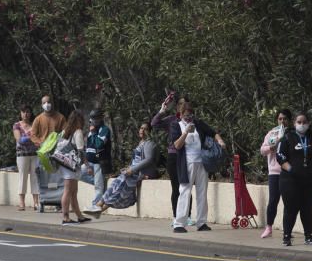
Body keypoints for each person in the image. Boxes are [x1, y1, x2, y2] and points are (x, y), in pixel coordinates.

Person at [172, 105, 225, 233]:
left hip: (201, 162)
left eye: (190, 115)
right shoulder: (176, 125)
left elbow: (213, 133)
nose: (189, 117)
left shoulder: (198, 123)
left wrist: (220, 141)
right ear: (180, 114)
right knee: (185, 191)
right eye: (186, 115)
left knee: (202, 192)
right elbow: (176, 145)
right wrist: (185, 132)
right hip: (187, 162)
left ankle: (201, 223)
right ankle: (179, 223)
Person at [276, 112, 312, 246]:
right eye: (299, 122)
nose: (302, 125)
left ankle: (308, 236)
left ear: (309, 123)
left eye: (304, 122)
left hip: (311, 180)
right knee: (290, 208)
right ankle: (287, 236)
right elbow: (280, 156)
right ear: (294, 124)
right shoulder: (287, 138)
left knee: (307, 207)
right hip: (290, 180)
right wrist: (291, 169)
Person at [91, 122, 159, 216]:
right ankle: (99, 210)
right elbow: (136, 160)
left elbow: (148, 159)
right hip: (133, 172)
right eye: (141, 128)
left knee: (118, 184)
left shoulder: (149, 143)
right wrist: (129, 168)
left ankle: (98, 205)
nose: (142, 131)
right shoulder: (141, 143)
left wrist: (132, 169)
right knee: (118, 189)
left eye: (145, 129)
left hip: (140, 172)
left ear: (149, 131)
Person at [152, 92, 192, 220]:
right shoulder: (172, 120)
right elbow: (154, 124)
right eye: (180, 104)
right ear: (176, 107)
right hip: (174, 156)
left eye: (185, 104)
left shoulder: (191, 120)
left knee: (186, 187)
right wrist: (162, 111)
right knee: (176, 187)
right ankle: (176, 216)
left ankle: (188, 216)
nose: (182, 106)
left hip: (187, 156)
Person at [258, 109, 291, 238]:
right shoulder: (272, 133)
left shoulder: (292, 134)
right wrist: (272, 147)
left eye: (285, 119)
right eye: (280, 119)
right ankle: (269, 227)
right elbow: (262, 150)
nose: (282, 121)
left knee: (289, 202)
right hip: (274, 172)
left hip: (288, 171)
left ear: (289, 120)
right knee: (273, 200)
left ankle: (287, 230)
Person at [57, 110, 90, 224]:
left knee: (73, 192)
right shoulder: (78, 132)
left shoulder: (65, 131)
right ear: (79, 120)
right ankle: (65, 217)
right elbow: (81, 151)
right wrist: (88, 165)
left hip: (65, 163)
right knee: (68, 191)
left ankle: (79, 216)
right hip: (72, 165)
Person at [82, 109, 112, 213]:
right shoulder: (91, 131)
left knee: (99, 187)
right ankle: (100, 185)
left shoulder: (104, 130)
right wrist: (87, 164)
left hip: (100, 161)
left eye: (95, 118)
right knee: (79, 173)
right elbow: (88, 147)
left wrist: (94, 133)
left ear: (100, 118)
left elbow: (99, 144)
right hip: (90, 162)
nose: (92, 120)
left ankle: (95, 206)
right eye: (92, 118)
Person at [13, 105, 39, 211]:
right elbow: (20, 140)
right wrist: (32, 137)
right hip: (22, 155)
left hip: (35, 154)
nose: (25, 114)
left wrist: (31, 138)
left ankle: (36, 202)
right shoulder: (17, 125)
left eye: (28, 112)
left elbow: (39, 138)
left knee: (35, 177)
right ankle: (22, 202)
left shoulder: (34, 124)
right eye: (23, 112)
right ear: (20, 113)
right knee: (22, 177)